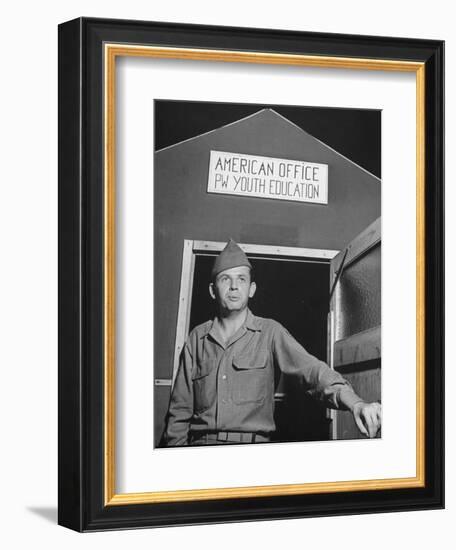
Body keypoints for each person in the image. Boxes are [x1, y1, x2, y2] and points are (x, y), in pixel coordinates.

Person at [164, 239, 381, 446]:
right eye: (225, 279)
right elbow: (179, 412)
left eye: (241, 279)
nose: (233, 287)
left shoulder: (270, 332)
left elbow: (312, 371)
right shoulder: (197, 338)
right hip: (201, 450)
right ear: (213, 290)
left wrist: (356, 403)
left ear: (251, 289)